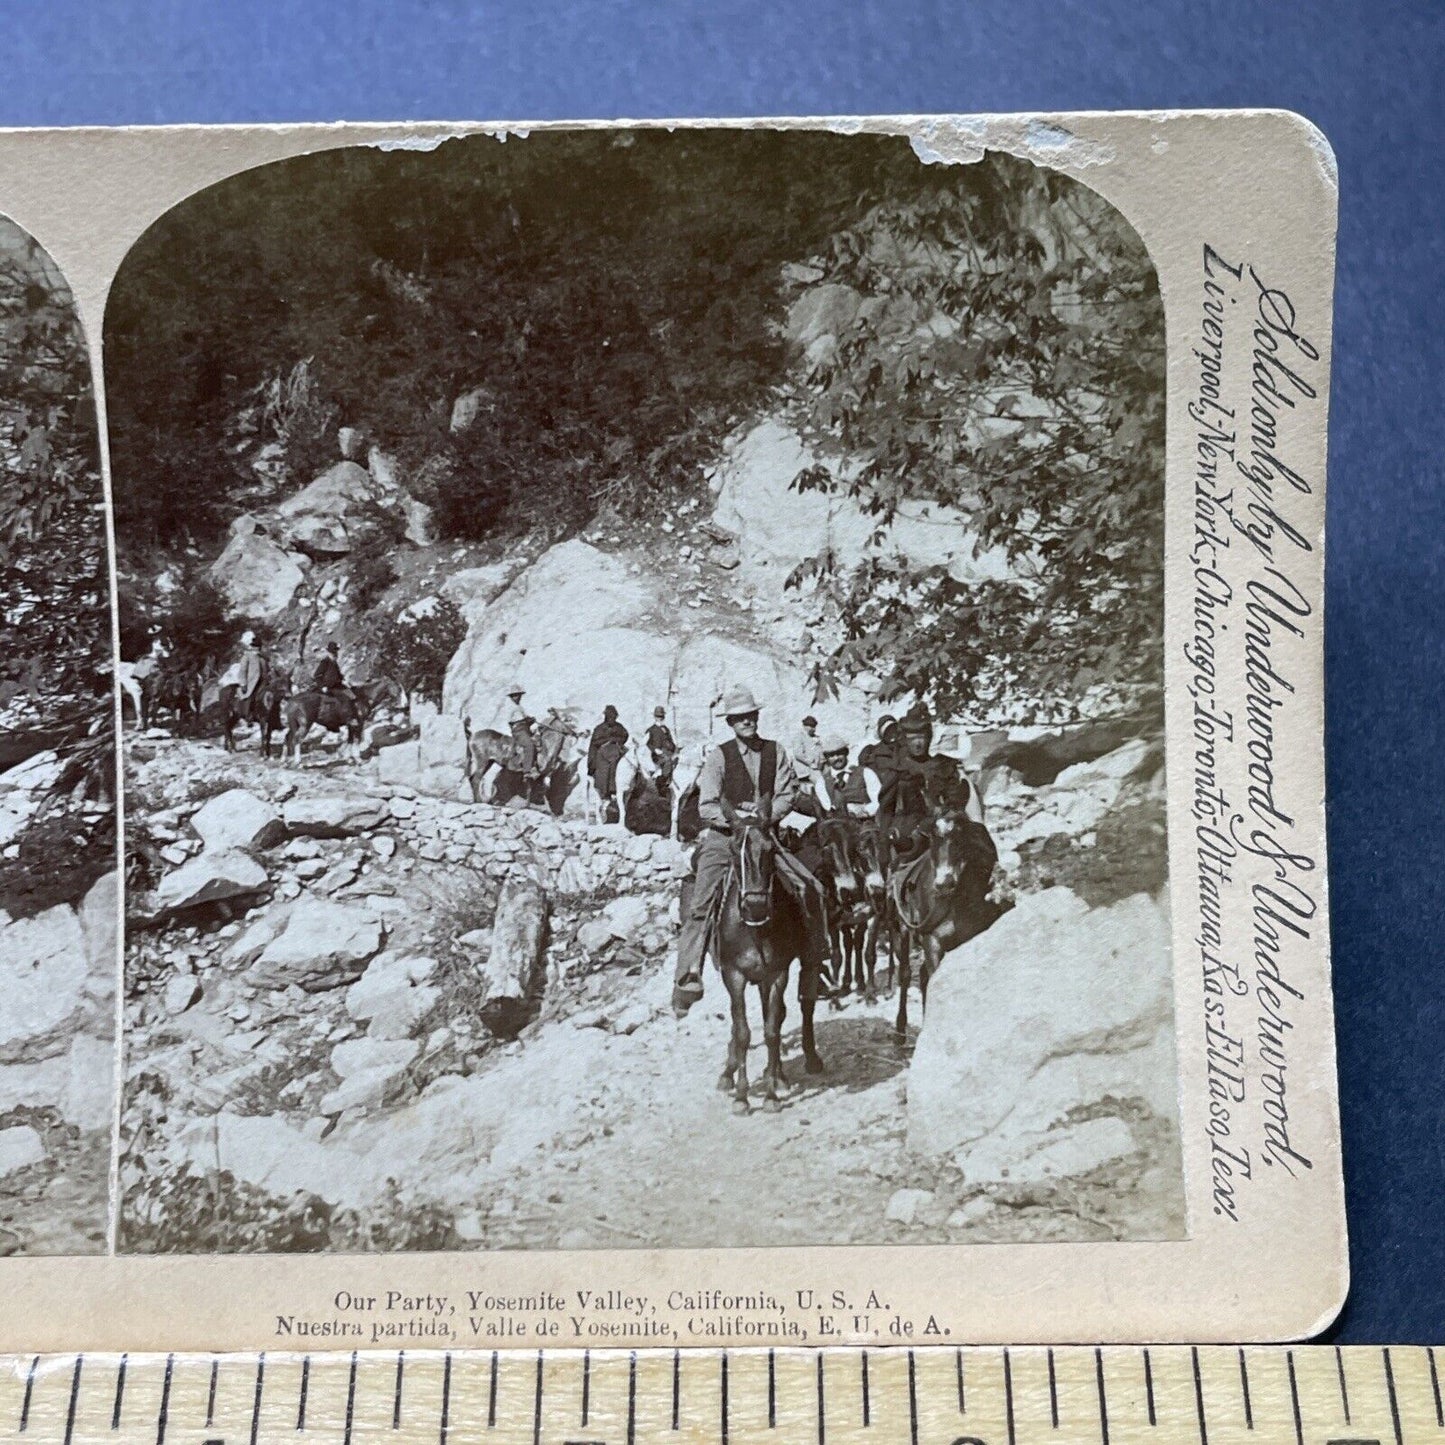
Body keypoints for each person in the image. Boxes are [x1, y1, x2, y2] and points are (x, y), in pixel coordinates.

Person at [673, 685, 802, 1016]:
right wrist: (737, 820)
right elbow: (706, 804)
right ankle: (689, 974)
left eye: (751, 715)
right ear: (731, 721)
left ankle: (818, 955)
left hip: (764, 834)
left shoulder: (777, 751)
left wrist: (765, 818)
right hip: (725, 836)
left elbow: (789, 792)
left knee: (805, 885)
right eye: (740, 718)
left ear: (757, 716)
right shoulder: (719, 756)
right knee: (701, 901)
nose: (747, 721)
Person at [874, 702, 982, 866]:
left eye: (922, 737)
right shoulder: (897, 771)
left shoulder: (943, 766)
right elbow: (886, 810)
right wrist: (884, 842)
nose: (918, 743)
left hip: (943, 829)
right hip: (909, 835)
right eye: (912, 738)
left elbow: (955, 801)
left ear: (929, 738)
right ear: (904, 740)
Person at [587, 704, 630, 821]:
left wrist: (616, 740)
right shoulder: (599, 728)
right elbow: (595, 742)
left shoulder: (619, 727)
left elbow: (625, 736)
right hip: (603, 755)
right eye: (609, 716)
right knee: (604, 771)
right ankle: (607, 792)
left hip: (617, 752)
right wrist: (607, 740)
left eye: (613, 716)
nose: (612, 718)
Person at [504, 684, 538, 778]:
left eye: (518, 695)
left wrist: (530, 719)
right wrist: (526, 721)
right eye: (514, 695)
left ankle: (535, 765)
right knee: (529, 745)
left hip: (524, 729)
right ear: (511, 697)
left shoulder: (519, 707)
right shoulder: (510, 707)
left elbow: (524, 718)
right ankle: (527, 771)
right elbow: (512, 721)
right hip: (519, 730)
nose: (517, 697)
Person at [645, 706, 679, 788]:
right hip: (657, 755)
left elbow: (670, 741)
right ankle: (662, 783)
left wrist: (675, 749)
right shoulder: (651, 730)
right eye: (658, 716)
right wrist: (654, 750)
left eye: (661, 716)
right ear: (655, 717)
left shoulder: (666, 729)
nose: (660, 718)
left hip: (668, 753)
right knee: (667, 761)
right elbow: (646, 744)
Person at [793, 715, 824, 780]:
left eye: (814, 726)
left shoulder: (816, 738)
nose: (814, 729)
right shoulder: (799, 737)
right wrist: (810, 763)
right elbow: (798, 754)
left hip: (817, 769)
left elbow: (821, 752)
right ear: (804, 726)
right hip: (805, 771)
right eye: (811, 726)